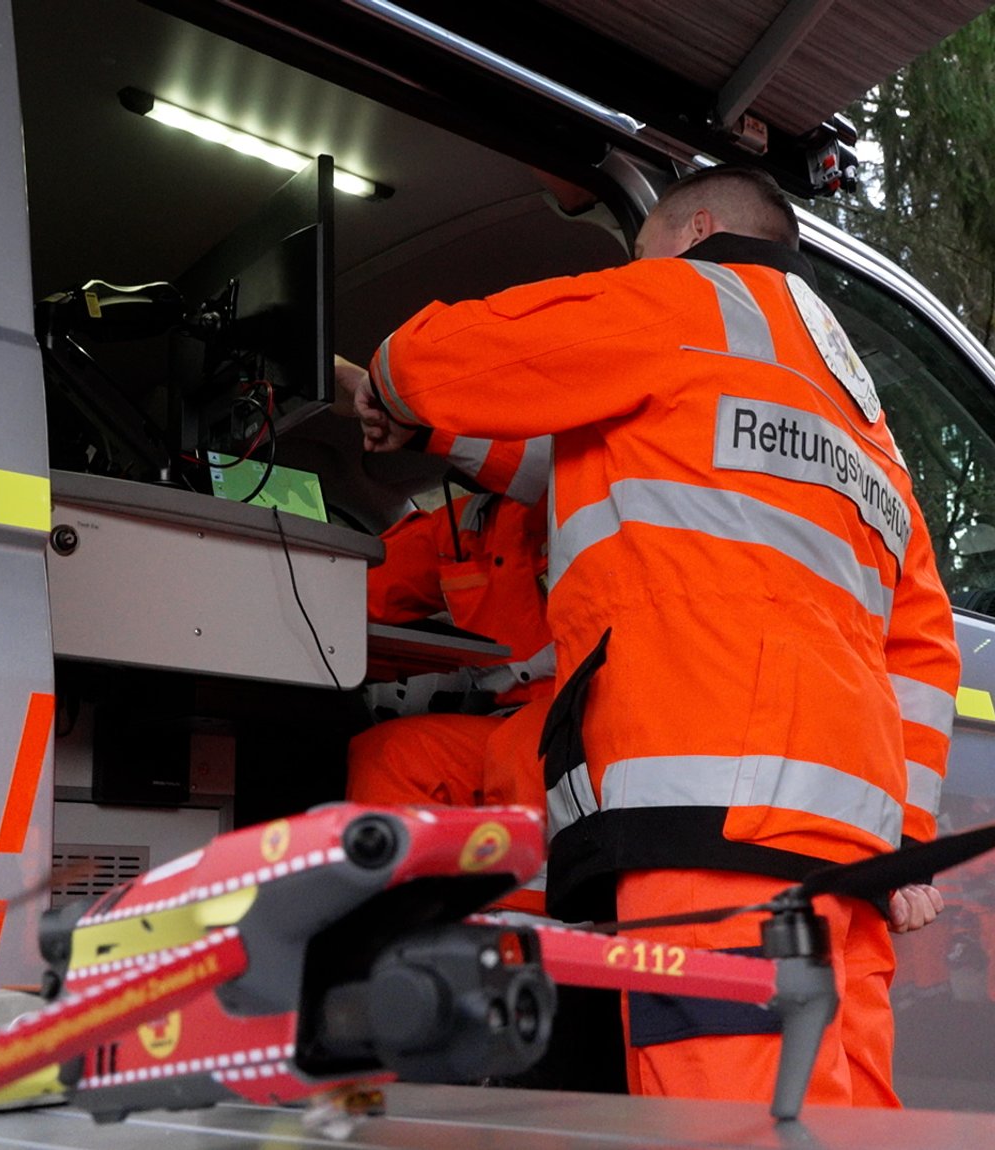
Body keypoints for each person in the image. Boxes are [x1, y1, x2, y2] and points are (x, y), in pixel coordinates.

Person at [333, 165, 959, 1110]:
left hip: (712, 829)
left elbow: (446, 359)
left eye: (638, 251)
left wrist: (383, 384)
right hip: (849, 847)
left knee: (725, 1122)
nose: (632, 271)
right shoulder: (861, 416)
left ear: (694, 230)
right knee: (844, 1122)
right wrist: (908, 837)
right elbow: (921, 641)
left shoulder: (680, 297)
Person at [343, 433, 557, 913]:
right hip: (514, 724)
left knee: (521, 753)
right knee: (392, 753)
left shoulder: (587, 499)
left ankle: (520, 946)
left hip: (609, 714)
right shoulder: (468, 527)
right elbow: (354, 588)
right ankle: (404, 926)